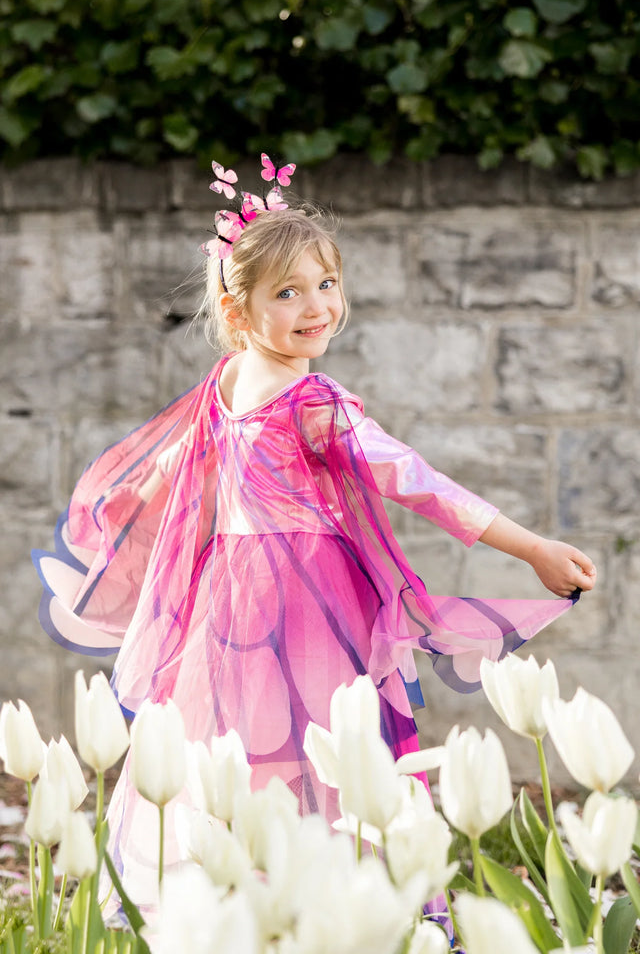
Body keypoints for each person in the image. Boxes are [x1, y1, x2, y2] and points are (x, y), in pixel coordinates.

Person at [32, 155, 596, 911]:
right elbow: (410, 479)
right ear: (238, 314)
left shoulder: (237, 386)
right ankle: (315, 900)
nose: (316, 307)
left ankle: (239, 896)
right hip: (302, 602)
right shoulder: (300, 399)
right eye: (288, 293)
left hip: (230, 601)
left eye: (326, 285)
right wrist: (530, 547)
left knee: (244, 743)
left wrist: (126, 506)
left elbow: (186, 472)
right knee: (313, 743)